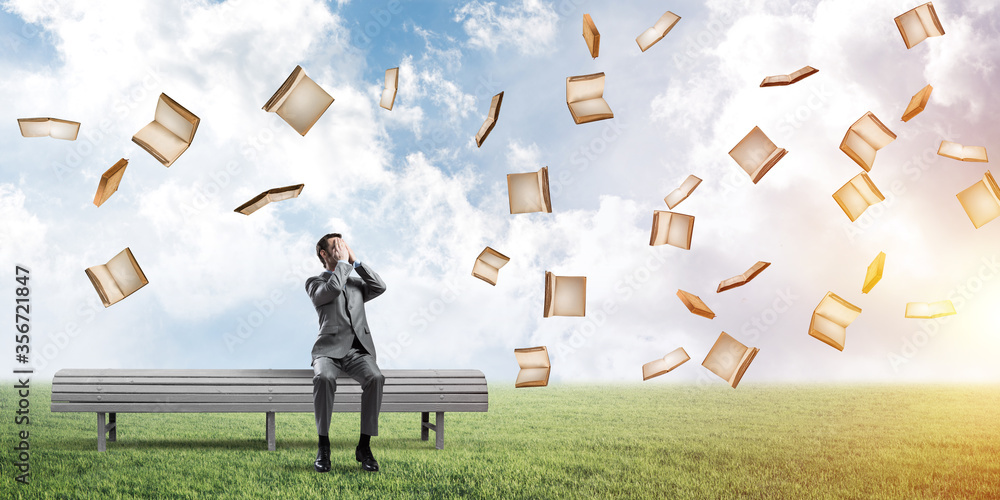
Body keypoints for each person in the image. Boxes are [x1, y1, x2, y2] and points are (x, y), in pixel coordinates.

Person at [306, 233, 387, 473]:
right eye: (336, 245)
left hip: (357, 351)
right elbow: (331, 290)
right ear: (324, 253)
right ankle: (323, 446)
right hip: (328, 351)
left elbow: (380, 287)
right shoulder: (315, 282)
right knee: (323, 378)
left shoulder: (355, 284)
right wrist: (343, 264)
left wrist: (356, 262)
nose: (342, 247)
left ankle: (364, 446)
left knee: (376, 378)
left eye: (344, 244)